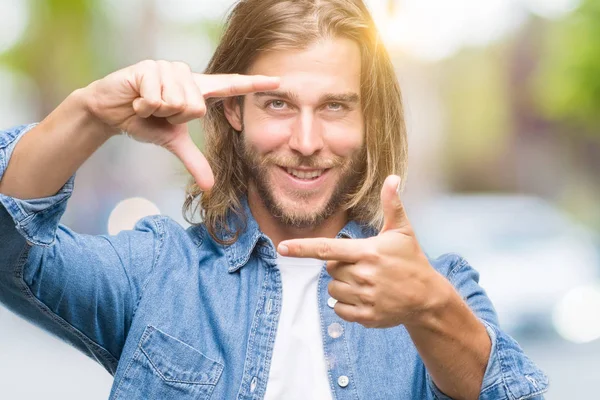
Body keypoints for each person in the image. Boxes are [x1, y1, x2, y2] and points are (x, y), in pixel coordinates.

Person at [0, 0, 548, 399]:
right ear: (235, 111)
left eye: (335, 107)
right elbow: (10, 250)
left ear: (366, 120)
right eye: (279, 104)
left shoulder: (441, 288)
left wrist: (430, 307)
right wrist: (94, 114)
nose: (307, 143)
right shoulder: (157, 275)